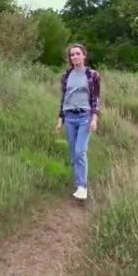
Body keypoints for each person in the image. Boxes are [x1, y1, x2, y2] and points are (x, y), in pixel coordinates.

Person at [54, 43, 101, 200]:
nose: (74, 57)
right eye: (72, 55)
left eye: (77, 54)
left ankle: (82, 186)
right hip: (70, 117)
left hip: (84, 117)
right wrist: (60, 119)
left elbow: (95, 98)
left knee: (80, 151)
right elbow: (64, 98)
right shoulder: (66, 76)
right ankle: (78, 184)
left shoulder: (92, 75)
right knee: (74, 154)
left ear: (84, 55)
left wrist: (94, 118)